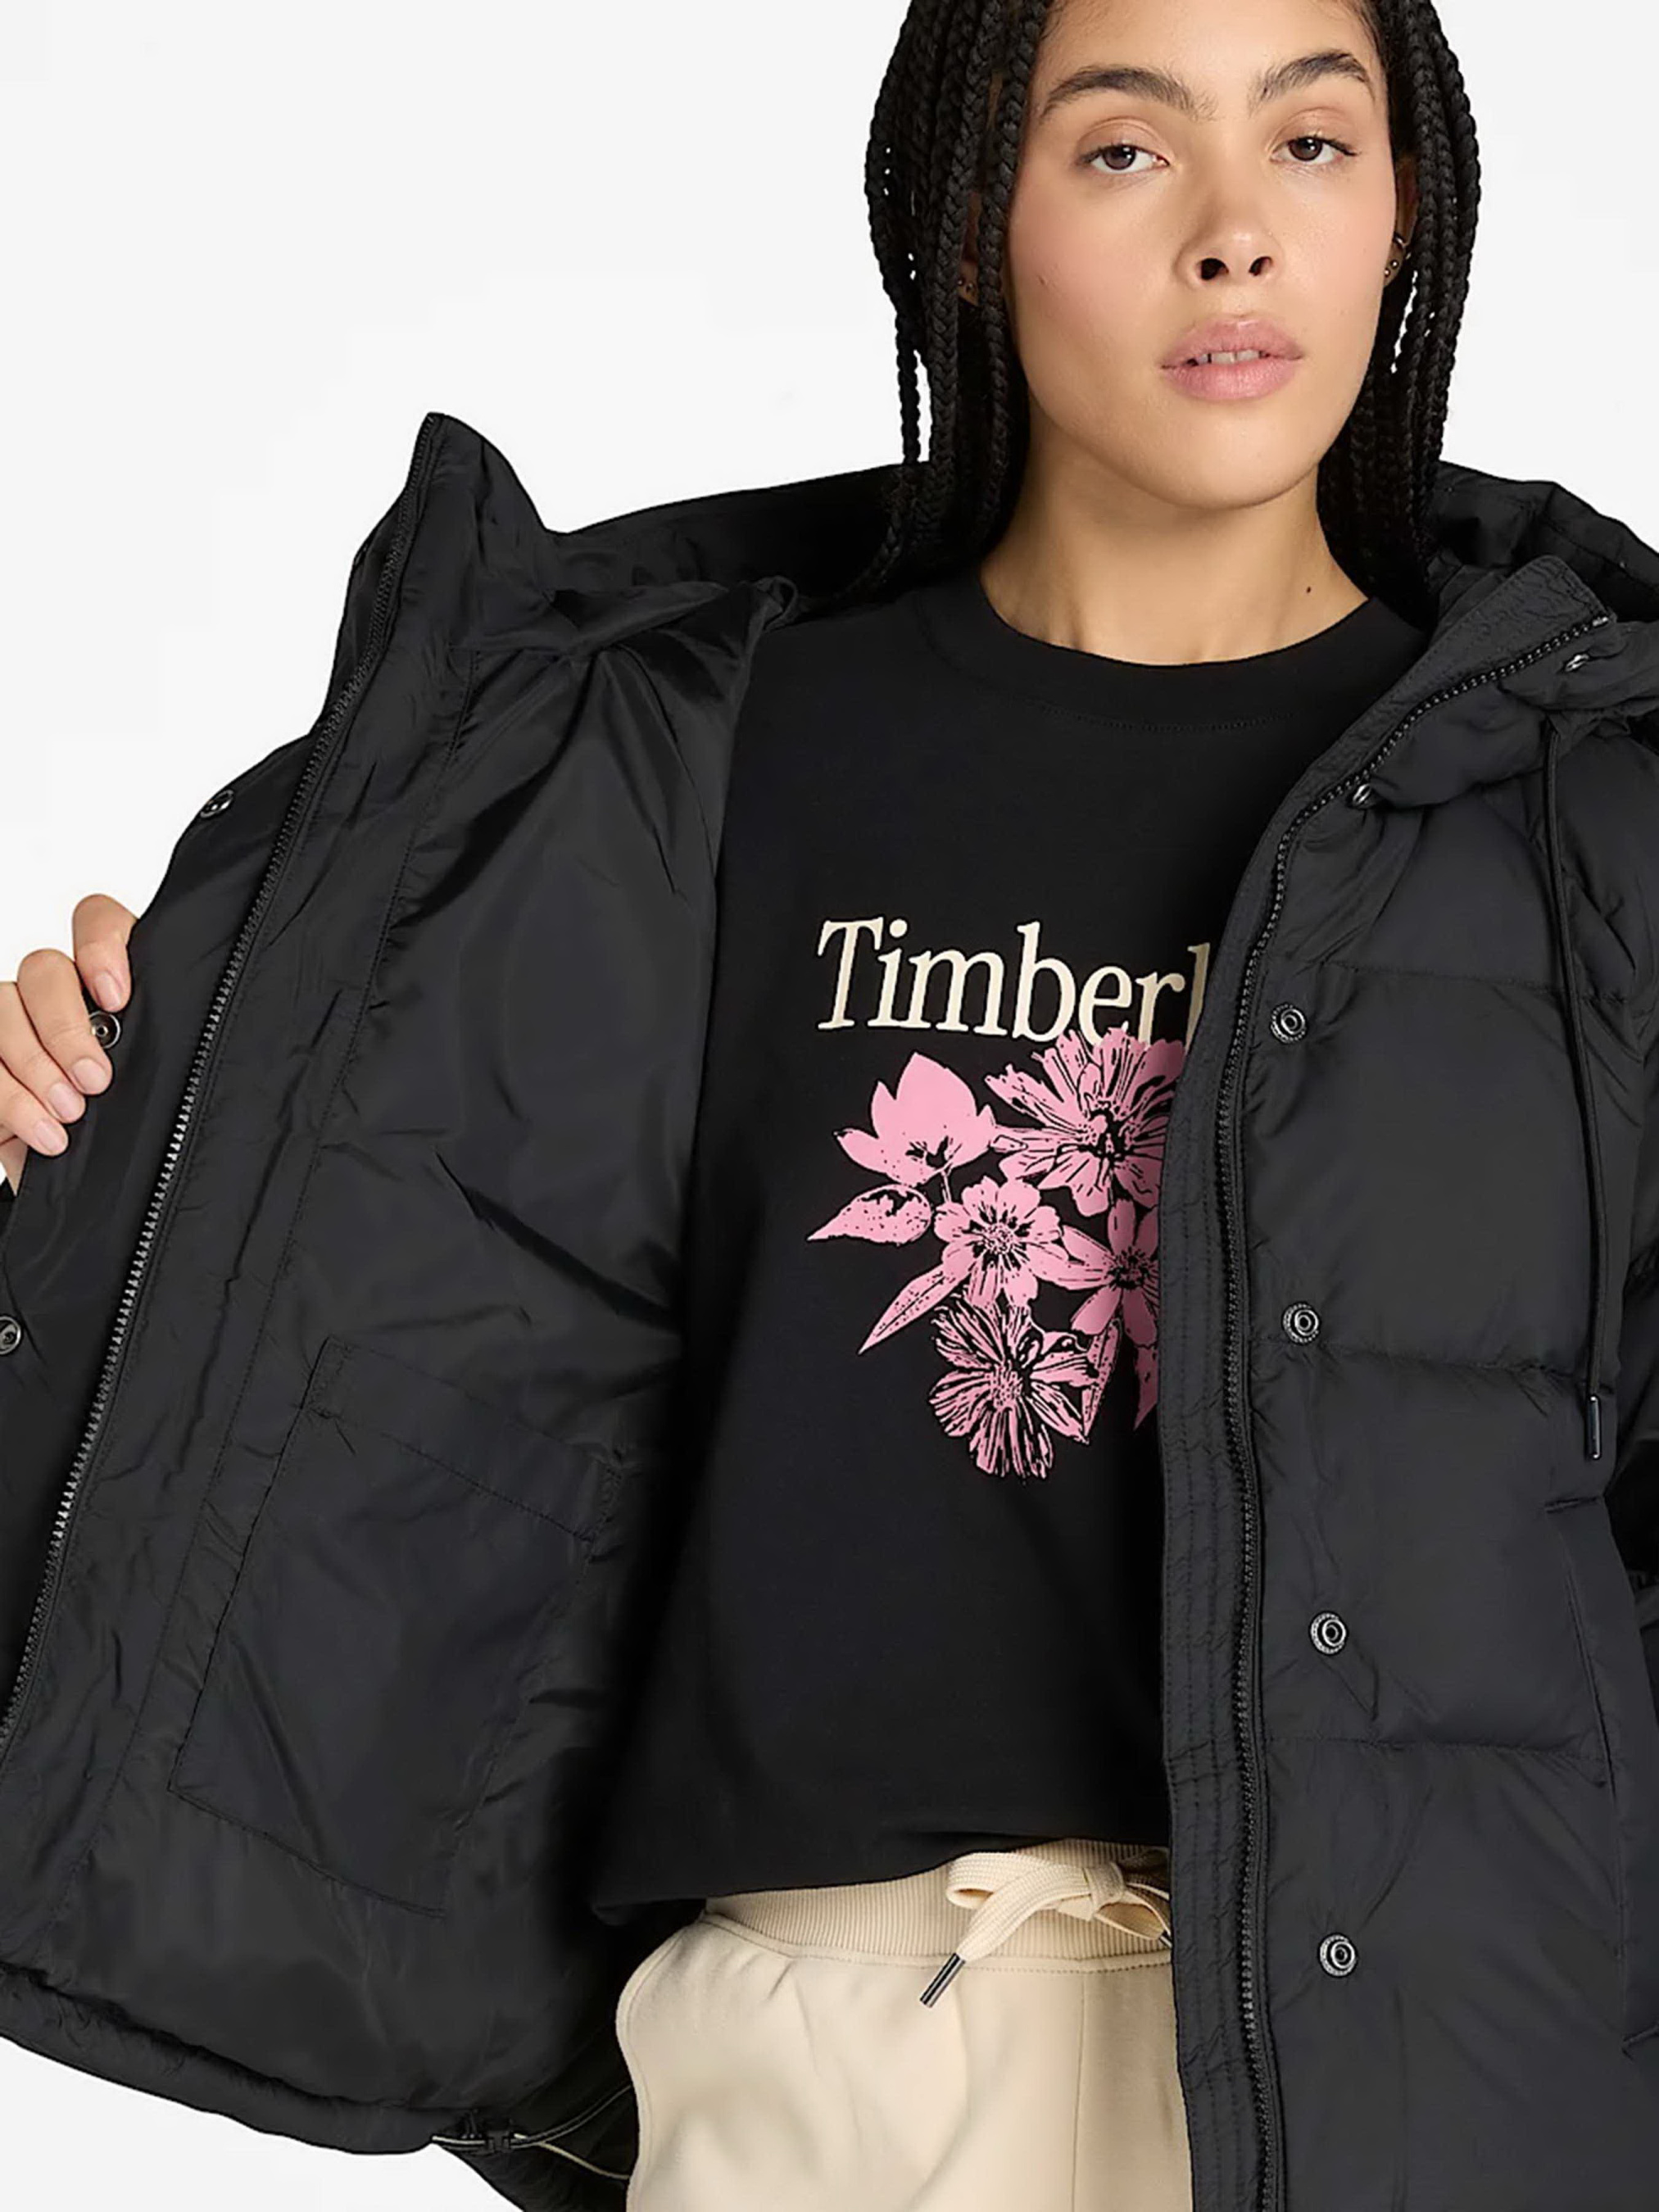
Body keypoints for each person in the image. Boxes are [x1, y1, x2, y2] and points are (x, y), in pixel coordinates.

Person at [4, 2, 1657, 2209]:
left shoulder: (1578, 817)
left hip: (1444, 2075)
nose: (1236, 234)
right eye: (1123, 149)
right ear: (967, 220)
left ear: (1405, 213)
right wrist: (112, 1124)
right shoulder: (681, 760)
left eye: (1314, 142)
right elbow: (383, 1334)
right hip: (837, 2063)